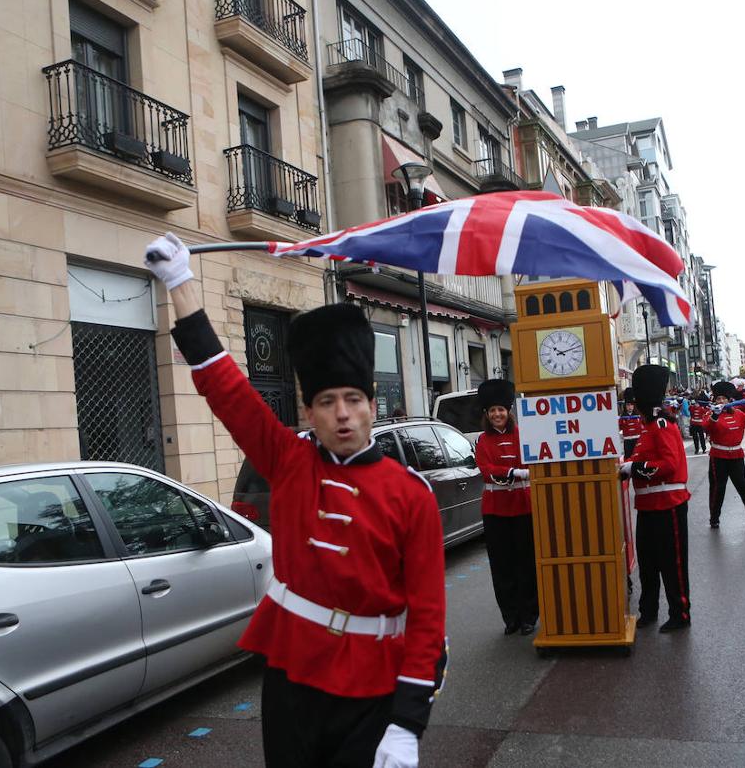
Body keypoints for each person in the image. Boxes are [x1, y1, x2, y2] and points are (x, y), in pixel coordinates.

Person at [144, 233, 445, 768]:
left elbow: (427, 619)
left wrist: (407, 722)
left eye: (353, 399)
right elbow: (225, 387)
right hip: (292, 672)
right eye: (327, 402)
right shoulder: (287, 459)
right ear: (309, 413)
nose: (343, 414)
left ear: (374, 405)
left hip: (372, 685)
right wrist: (179, 283)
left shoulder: (411, 494)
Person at [620, 364, 691, 632]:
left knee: (673, 565)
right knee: (648, 564)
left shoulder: (661, 425)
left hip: (668, 504)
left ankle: (680, 613)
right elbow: (640, 459)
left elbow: (669, 464)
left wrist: (634, 469)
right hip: (648, 506)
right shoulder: (648, 428)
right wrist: (626, 466)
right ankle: (648, 611)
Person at [474, 379, 538, 636]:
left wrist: (515, 473)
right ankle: (510, 616)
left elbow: (531, 465)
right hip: (495, 511)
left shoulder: (524, 435)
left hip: (522, 507)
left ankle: (529, 616)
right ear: (486, 415)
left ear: (508, 411)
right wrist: (514, 472)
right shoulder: (482, 441)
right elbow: (486, 471)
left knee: (526, 563)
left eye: (501, 410)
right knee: (502, 567)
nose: (497, 415)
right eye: (492, 411)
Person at [694, 380, 745, 529]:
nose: (721, 401)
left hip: (736, 456)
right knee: (718, 489)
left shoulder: (738, 413)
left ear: (729, 399)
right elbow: (706, 427)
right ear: (715, 400)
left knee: (744, 488)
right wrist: (715, 416)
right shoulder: (711, 414)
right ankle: (714, 518)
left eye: (724, 398)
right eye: (718, 399)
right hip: (718, 457)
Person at [619, 388, 645, 459]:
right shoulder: (623, 417)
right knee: (628, 456)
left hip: (637, 439)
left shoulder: (638, 416)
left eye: (631, 405)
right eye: (628, 405)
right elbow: (619, 427)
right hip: (627, 440)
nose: (630, 407)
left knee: (638, 455)